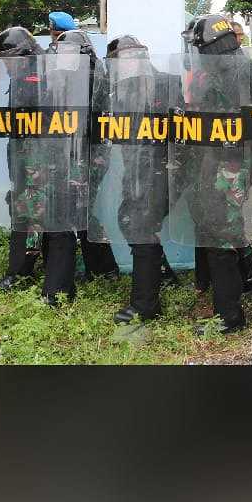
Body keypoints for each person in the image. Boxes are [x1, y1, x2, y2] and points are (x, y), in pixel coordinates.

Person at [0, 26, 77, 302]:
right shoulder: (20, 77)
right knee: (22, 215)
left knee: (57, 222)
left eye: (8, 59)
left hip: (50, 163)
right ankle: (19, 272)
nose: (5, 65)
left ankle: (58, 290)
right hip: (23, 161)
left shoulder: (50, 75)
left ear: (24, 54)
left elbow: (60, 122)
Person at [178, 14, 252, 335]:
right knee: (216, 228)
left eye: (198, 47)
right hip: (216, 159)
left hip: (227, 162)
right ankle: (229, 292)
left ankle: (230, 315)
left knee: (220, 234)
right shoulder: (234, 65)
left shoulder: (229, 72)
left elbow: (222, 124)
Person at [96, 35, 180, 325]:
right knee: (129, 220)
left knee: (141, 226)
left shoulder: (168, 83)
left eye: (130, 59)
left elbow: (183, 131)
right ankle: (161, 275)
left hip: (162, 170)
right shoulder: (118, 90)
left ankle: (145, 305)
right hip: (136, 172)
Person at [52, 27, 122, 283]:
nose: (63, 59)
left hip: (90, 154)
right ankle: (102, 268)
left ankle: (104, 268)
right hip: (75, 154)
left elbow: (90, 121)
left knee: (79, 211)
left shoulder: (93, 77)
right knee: (80, 212)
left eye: (68, 53)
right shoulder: (70, 77)